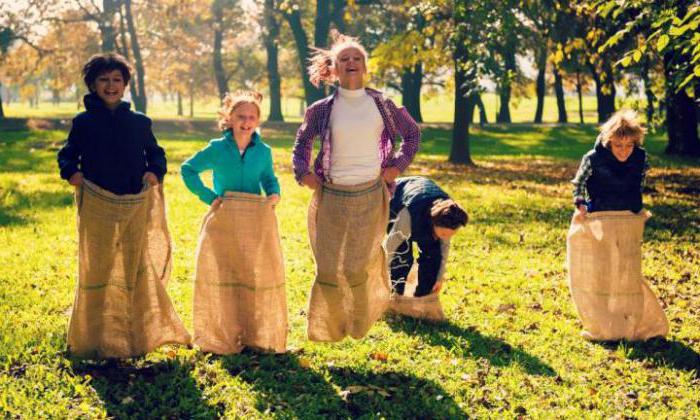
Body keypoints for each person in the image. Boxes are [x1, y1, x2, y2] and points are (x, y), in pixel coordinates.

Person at [57, 53, 190, 358]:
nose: (111, 85)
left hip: (133, 202)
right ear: (92, 84)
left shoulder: (139, 122)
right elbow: (68, 154)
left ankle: (137, 331)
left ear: (125, 84)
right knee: (99, 264)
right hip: (98, 203)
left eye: (117, 79)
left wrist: (154, 171)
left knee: (134, 264)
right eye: (104, 79)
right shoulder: (84, 122)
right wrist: (71, 172)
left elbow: (156, 154)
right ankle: (94, 334)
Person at [292, 31, 421, 342]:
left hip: (370, 194)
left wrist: (396, 167)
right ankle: (333, 321)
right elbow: (303, 142)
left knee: (354, 268)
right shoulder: (321, 109)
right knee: (326, 268)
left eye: (357, 58)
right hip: (332, 194)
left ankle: (359, 321)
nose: (351, 62)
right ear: (333, 69)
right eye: (344, 59)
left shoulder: (383, 104)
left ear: (365, 67)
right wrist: (302, 171)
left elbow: (412, 135)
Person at [182, 90, 287, 354]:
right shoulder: (217, 148)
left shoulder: (263, 151)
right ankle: (223, 329)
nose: (247, 121)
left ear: (258, 120)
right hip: (225, 219)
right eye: (241, 116)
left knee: (252, 273)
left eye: (252, 117)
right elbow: (188, 169)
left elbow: (268, 178)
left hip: (253, 220)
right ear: (229, 118)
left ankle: (252, 331)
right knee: (225, 272)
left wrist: (274, 192)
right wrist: (208, 196)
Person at [567, 109, 668, 341]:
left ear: (635, 142)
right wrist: (580, 202)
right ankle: (603, 322)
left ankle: (631, 319)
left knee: (627, 271)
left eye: (628, 146)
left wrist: (635, 208)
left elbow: (638, 184)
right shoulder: (592, 159)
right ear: (608, 141)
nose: (624, 151)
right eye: (618, 146)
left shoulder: (641, 158)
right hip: (600, 218)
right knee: (602, 269)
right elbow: (578, 184)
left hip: (627, 219)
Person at [385, 176, 468, 298]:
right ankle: (396, 295)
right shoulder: (408, 214)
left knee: (433, 257)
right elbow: (392, 243)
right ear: (433, 222)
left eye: (451, 234)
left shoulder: (451, 217)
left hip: (424, 204)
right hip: (396, 203)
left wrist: (438, 278)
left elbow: (443, 251)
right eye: (444, 234)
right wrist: (383, 270)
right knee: (402, 257)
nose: (446, 237)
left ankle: (423, 297)